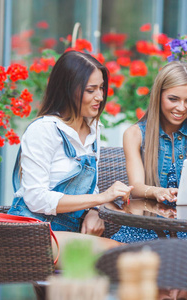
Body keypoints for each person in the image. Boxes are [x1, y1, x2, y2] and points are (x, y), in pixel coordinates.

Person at [8, 50, 132, 251]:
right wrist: (101, 199)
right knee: (123, 254)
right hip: (34, 232)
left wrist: (94, 210)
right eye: (90, 90)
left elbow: (91, 188)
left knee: (136, 249)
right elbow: (36, 198)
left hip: (68, 233)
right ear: (68, 90)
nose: (100, 96)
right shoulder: (44, 130)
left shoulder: (93, 129)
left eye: (101, 88)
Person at [111, 61, 187, 243]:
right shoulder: (134, 134)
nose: (181, 108)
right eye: (173, 99)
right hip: (145, 228)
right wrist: (156, 191)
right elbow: (136, 187)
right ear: (158, 96)